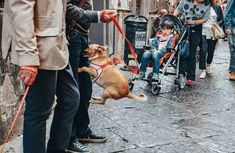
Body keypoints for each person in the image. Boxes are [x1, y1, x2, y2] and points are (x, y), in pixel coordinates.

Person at [1, 0, 79, 153]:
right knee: (38, 111)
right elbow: (21, 6)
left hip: (56, 45)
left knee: (71, 98)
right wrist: (28, 57)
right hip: (39, 47)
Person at [66, 0, 117, 152]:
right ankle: (70, 138)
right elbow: (67, 8)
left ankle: (82, 130)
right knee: (73, 90)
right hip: (72, 35)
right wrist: (97, 15)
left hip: (82, 35)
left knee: (85, 89)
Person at [174, 0, 211, 86]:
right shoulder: (185, 1)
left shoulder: (207, 5)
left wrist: (193, 22)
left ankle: (190, 77)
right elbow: (178, 10)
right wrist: (172, 20)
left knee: (191, 52)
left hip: (196, 29)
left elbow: (205, 19)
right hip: (182, 27)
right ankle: (181, 73)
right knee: (182, 50)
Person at [199, 0, 224, 78]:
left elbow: (222, 20)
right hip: (203, 31)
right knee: (203, 49)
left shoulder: (217, 7)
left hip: (213, 32)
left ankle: (208, 65)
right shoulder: (201, 6)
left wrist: (216, 25)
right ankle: (203, 70)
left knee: (211, 50)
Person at [224, 0, 235, 80]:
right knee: (234, 50)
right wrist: (228, 26)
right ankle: (233, 71)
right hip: (233, 27)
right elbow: (228, 11)